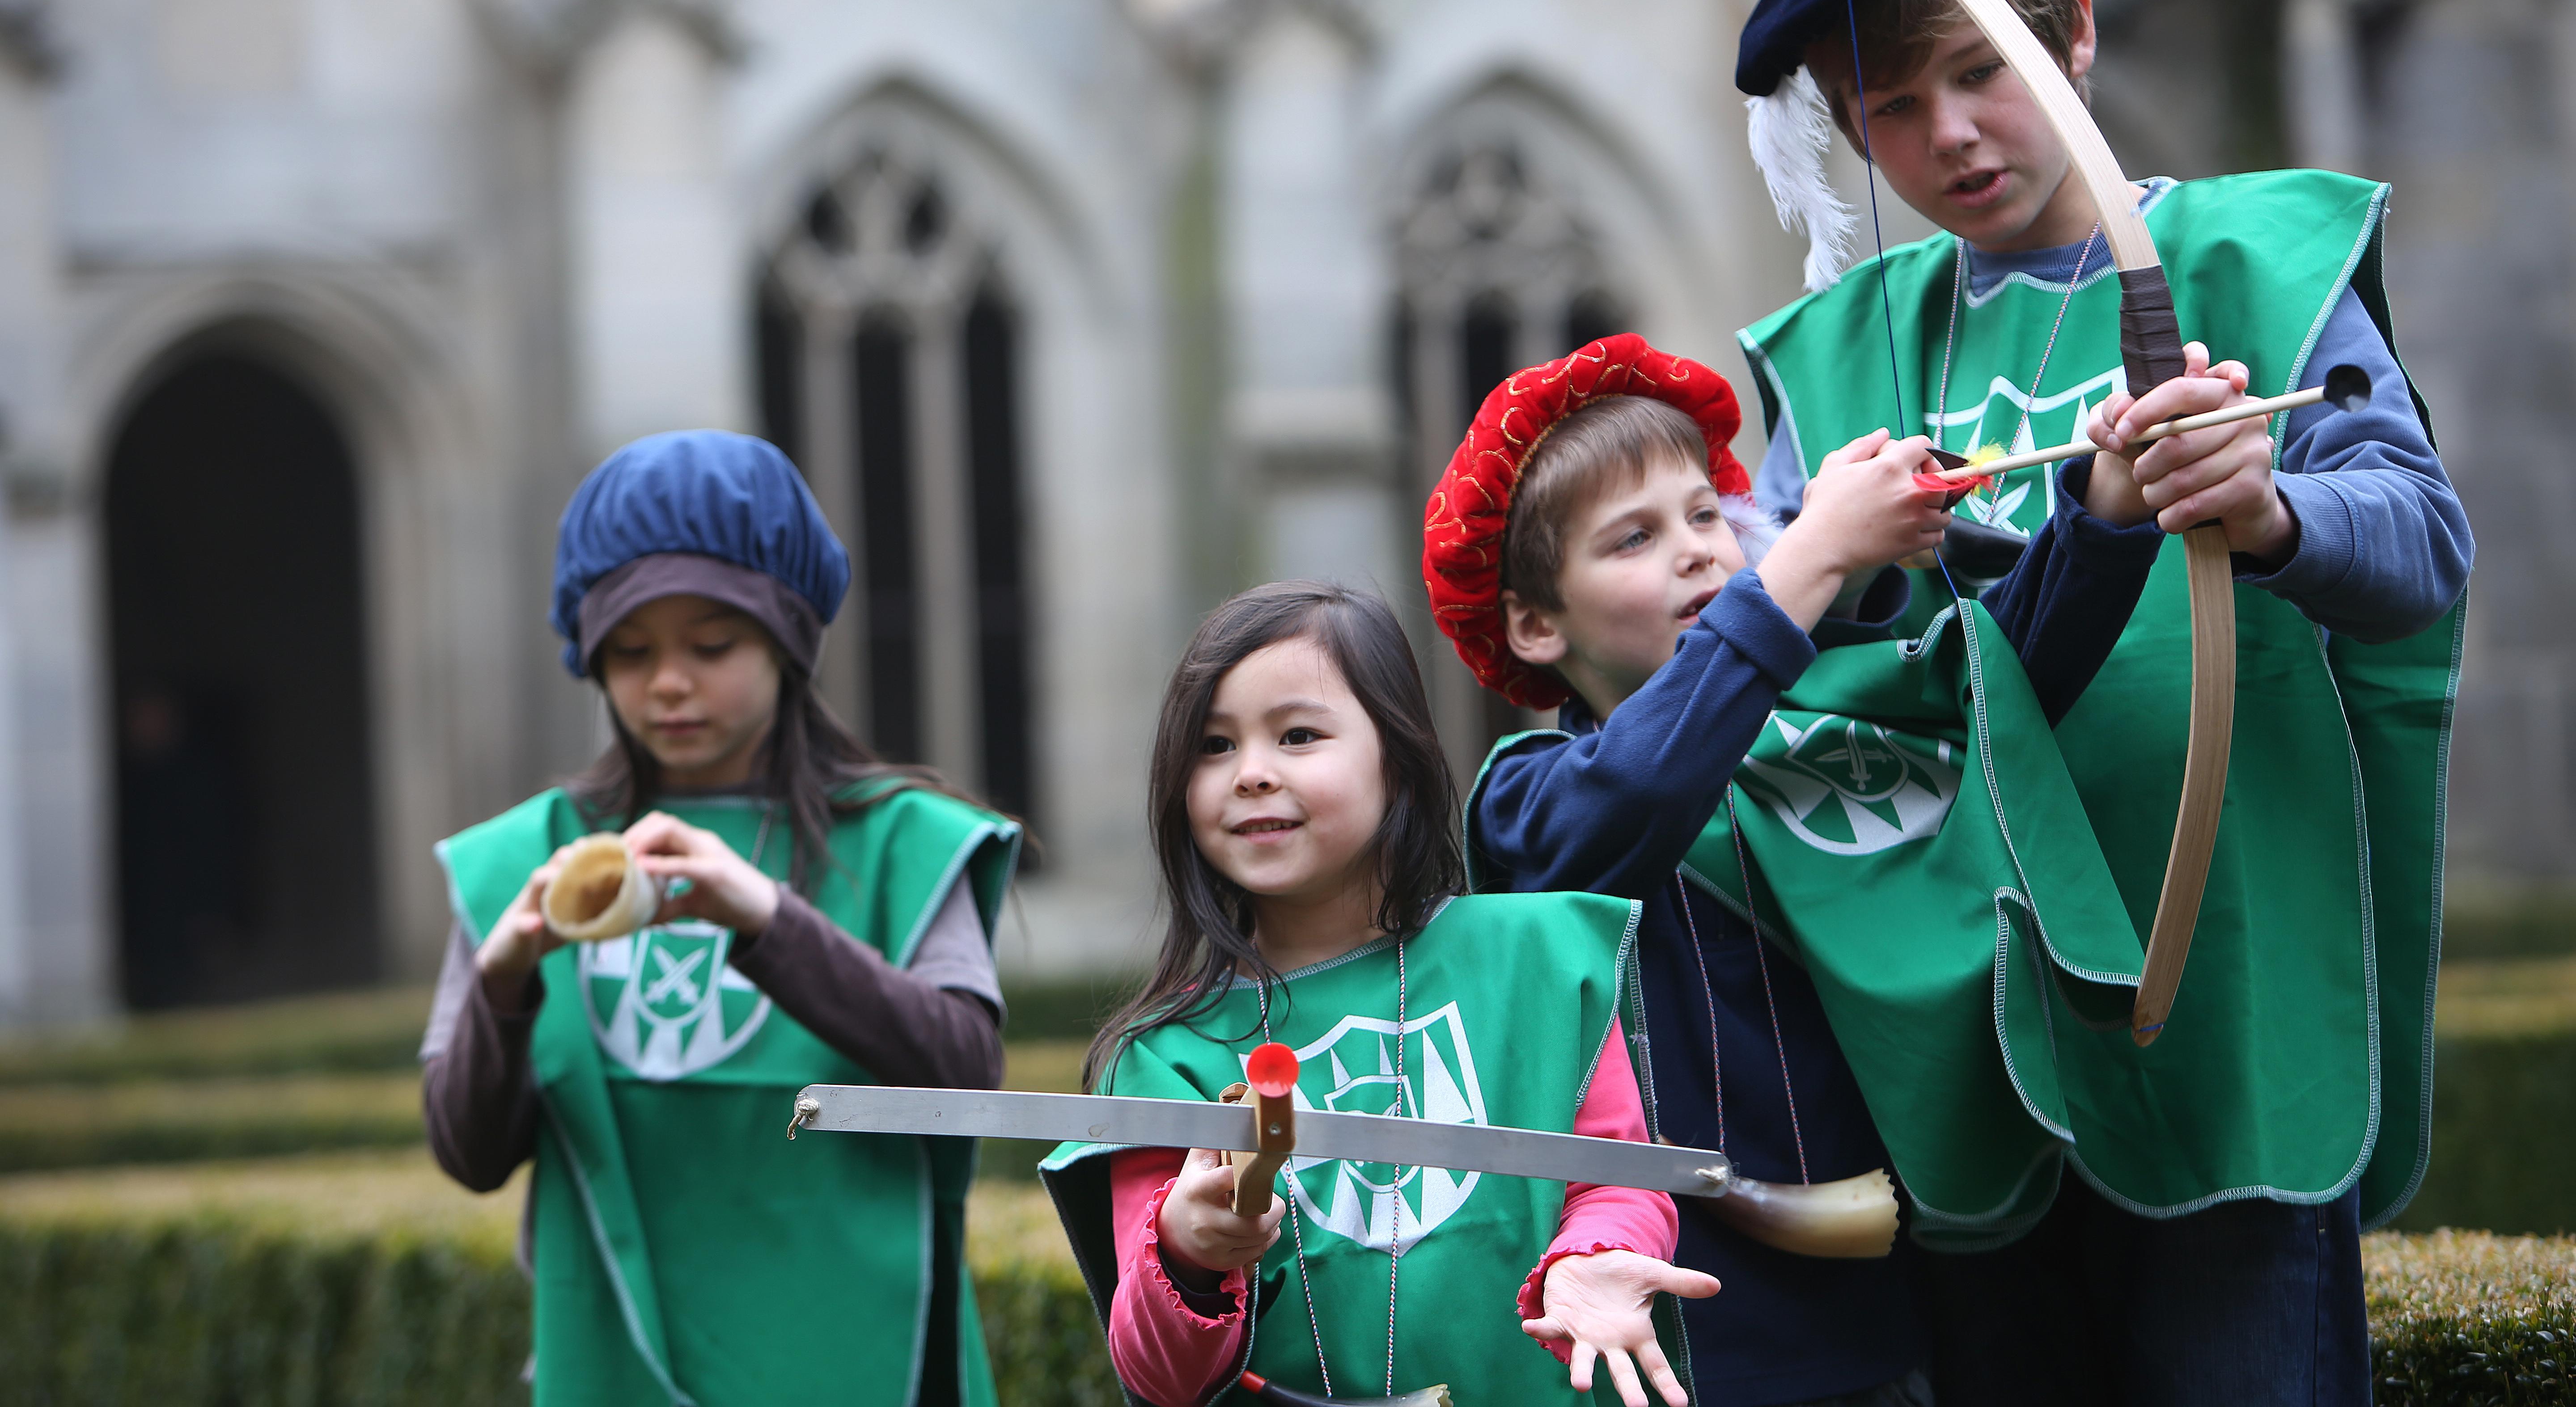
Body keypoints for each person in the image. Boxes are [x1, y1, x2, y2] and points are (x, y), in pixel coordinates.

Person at [1729, 0, 2473, 1404]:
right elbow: (1753, 680)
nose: (1953, 138)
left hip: (2223, 1003)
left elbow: (2422, 543)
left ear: (2073, 33)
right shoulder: (1837, 360)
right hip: (1962, 1045)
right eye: (1893, 109)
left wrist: (2273, 511)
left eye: (1981, 69)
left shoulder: (2256, 261)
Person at [1429, 331, 2242, 1406]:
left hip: (1933, 1281)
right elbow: (1644, 788)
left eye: (1708, 516)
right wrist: (1810, 559)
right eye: (1633, 538)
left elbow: (1992, 680)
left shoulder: (1812, 716)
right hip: (1702, 1321)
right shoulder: (1527, 797)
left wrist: (2109, 500)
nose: (1697, 553)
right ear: (1533, 625)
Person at [419, 430, 1021, 1407]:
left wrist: (768, 920)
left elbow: (965, 1079)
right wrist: (504, 983)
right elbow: (470, 1155)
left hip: (864, 1362)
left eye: (711, 645)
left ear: (789, 640)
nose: (668, 682)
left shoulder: (906, 842)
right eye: (630, 651)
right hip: (612, 1365)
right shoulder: (519, 862)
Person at [1042, 582, 1716, 1407]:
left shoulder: (1540, 958)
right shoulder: (1162, 1054)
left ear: (1396, 758)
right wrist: (1185, 1247)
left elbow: (1617, 1178)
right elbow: (1159, 1379)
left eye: (1297, 735)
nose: (1251, 774)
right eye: (1213, 747)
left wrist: (1594, 1260)